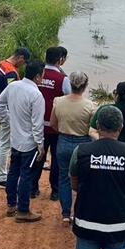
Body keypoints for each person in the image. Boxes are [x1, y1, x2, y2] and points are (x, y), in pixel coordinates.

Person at [70, 106, 125, 249]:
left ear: (97, 125)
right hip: (119, 225)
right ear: (121, 127)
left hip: (86, 224)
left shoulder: (81, 151)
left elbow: (75, 185)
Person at [0, 59, 46, 223]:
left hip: (15, 140)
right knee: (26, 175)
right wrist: (41, 145)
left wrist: (8, 120)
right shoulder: (36, 95)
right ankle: (23, 210)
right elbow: (37, 124)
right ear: (38, 76)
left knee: (13, 172)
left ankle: (11, 205)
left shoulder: (13, 86)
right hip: (29, 143)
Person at [51, 71, 97, 225]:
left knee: (64, 178)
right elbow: (93, 128)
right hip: (83, 143)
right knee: (84, 179)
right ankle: (79, 212)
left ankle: (65, 214)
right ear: (85, 86)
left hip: (63, 142)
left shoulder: (58, 101)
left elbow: (53, 124)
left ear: (70, 84)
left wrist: (63, 132)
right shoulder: (90, 106)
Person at [33, 46, 72, 200]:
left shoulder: (37, 75)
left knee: (37, 157)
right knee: (56, 160)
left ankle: (32, 188)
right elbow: (71, 97)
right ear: (60, 60)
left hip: (37, 125)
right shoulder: (63, 79)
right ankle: (55, 191)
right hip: (55, 127)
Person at [0, 47, 30, 189]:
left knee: (0, 140)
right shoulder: (11, 73)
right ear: (20, 57)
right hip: (6, 111)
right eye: (24, 61)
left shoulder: (1, 64)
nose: (23, 65)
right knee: (5, 144)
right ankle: (1, 177)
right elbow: (11, 94)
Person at [89, 82, 125, 149]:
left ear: (117, 95)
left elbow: (92, 131)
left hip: (103, 149)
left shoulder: (104, 109)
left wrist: (105, 143)